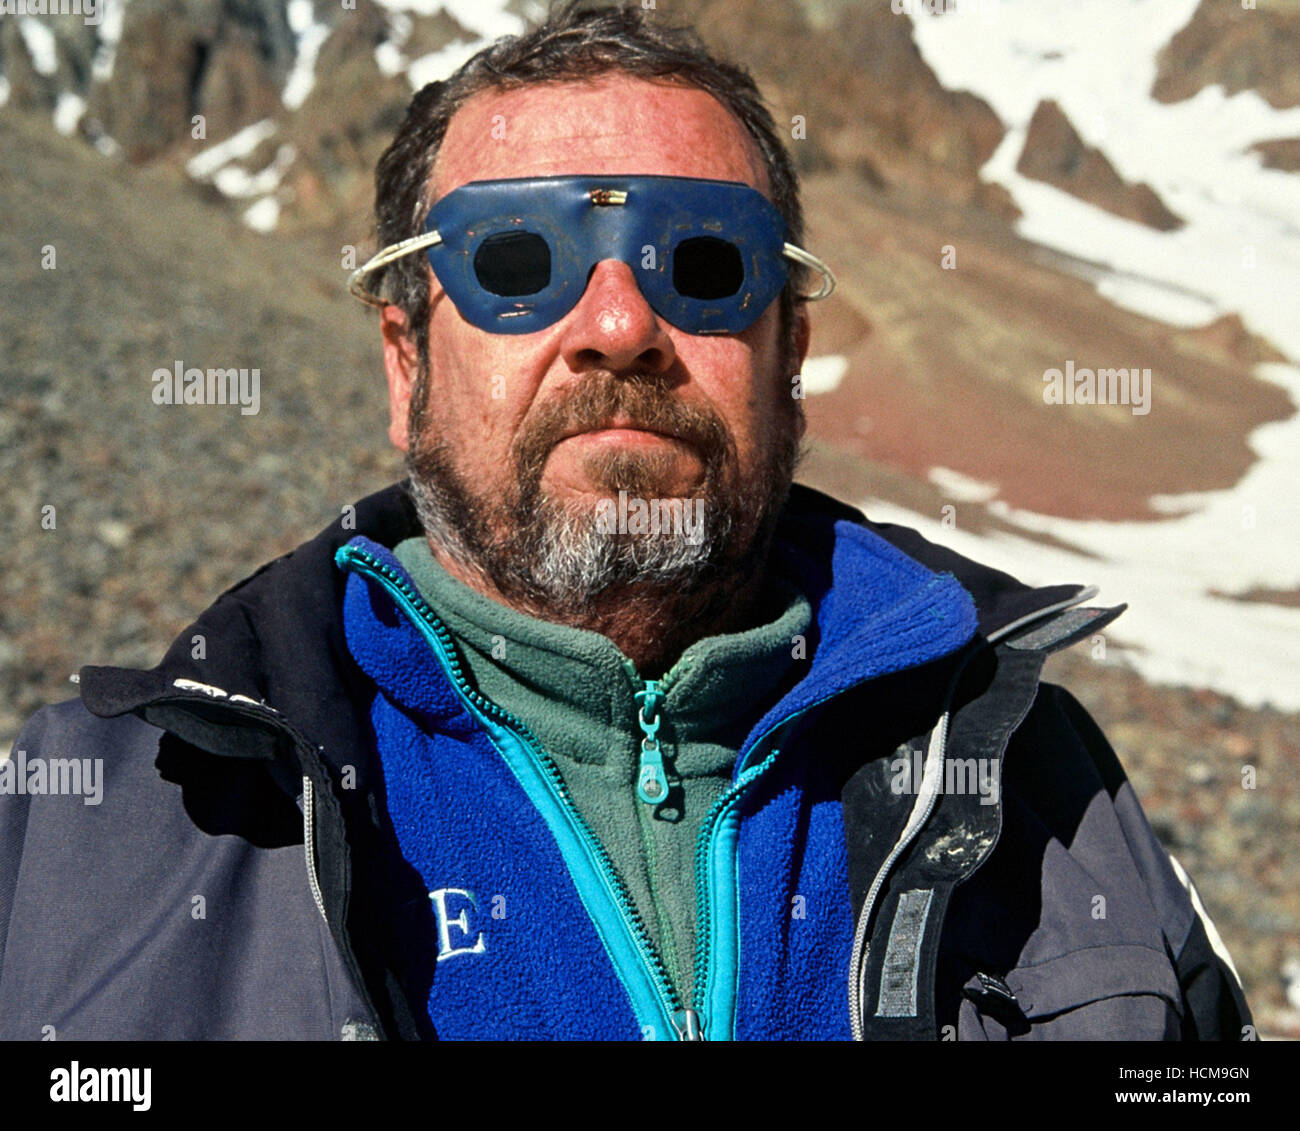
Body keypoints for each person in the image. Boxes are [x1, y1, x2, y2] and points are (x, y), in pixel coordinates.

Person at [0, 2, 1250, 1041]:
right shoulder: (81, 839)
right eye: (514, 261)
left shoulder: (1047, 783)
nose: (616, 325)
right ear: (402, 362)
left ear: (789, 350)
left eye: (703, 263)